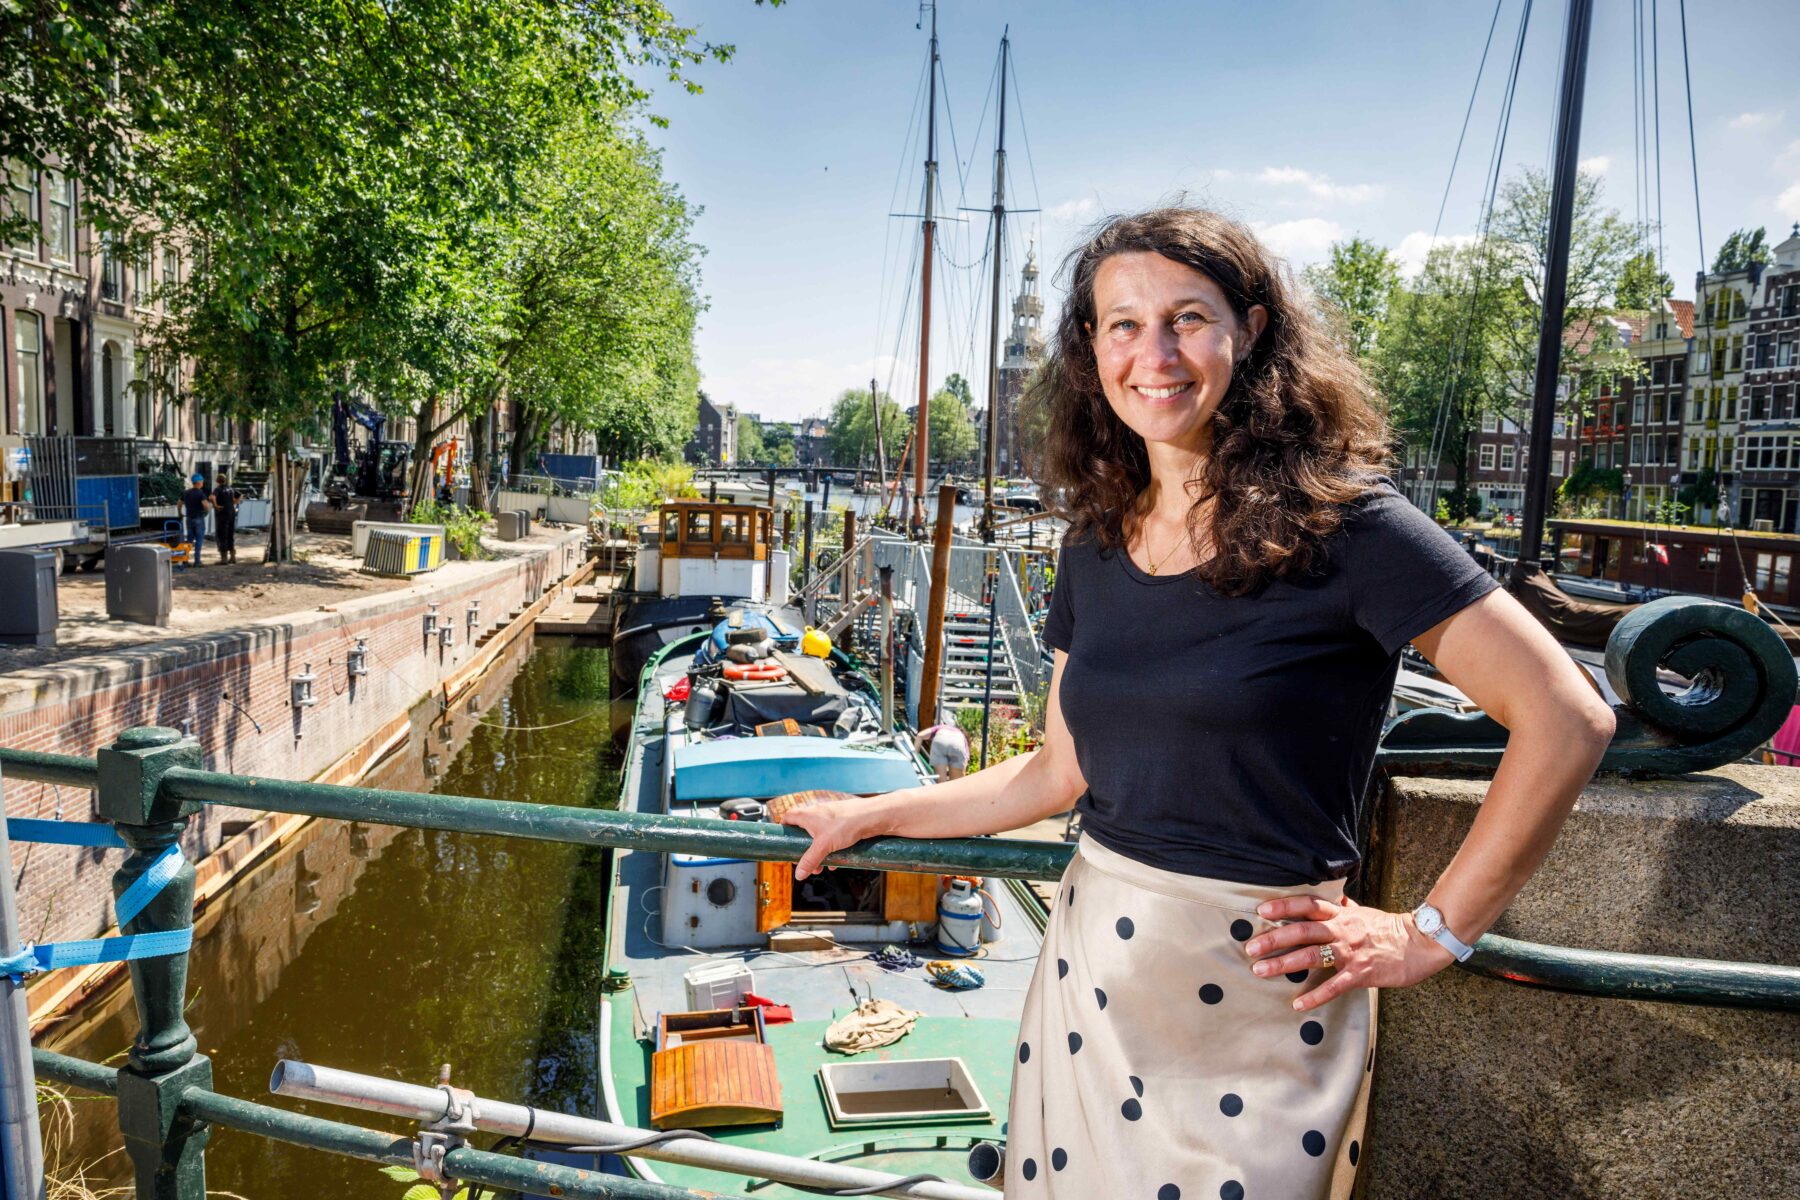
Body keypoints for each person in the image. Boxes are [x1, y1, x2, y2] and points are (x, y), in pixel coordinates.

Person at [778, 207, 1614, 1199]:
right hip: (1092, 976)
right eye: (1123, 324)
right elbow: (1059, 772)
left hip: (1258, 1002)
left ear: (1250, 331)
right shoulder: (1094, 540)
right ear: (1092, 349)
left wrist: (1431, 932)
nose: (1155, 354)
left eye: (1188, 317)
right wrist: (873, 814)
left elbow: (1567, 717)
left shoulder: (1349, 526)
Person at [179, 474, 212, 567]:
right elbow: (205, 505)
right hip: (198, 518)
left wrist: (179, 513)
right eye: (202, 481)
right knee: (199, 540)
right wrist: (207, 511)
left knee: (189, 540)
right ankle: (197, 561)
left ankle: (185, 560)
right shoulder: (201, 493)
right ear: (198, 482)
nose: (203, 483)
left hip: (189, 519)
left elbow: (179, 503)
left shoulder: (186, 492)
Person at [211, 472, 241, 564]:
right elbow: (240, 495)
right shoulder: (231, 489)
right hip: (231, 514)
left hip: (222, 514)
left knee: (222, 535)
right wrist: (235, 502)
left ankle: (224, 559)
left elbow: (212, 497)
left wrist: (216, 506)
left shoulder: (218, 489)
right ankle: (233, 557)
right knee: (230, 534)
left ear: (217, 481)